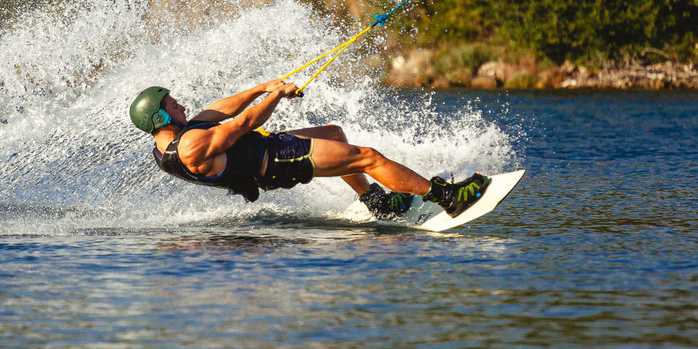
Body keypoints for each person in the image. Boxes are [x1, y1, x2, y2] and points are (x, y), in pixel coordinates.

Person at [128, 80, 489, 218]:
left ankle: (376, 201)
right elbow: (244, 124)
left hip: (265, 151)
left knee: (334, 132)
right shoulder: (191, 145)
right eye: (174, 105)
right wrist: (276, 96)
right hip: (279, 161)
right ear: (161, 117)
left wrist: (262, 87)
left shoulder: (168, 145)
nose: (182, 106)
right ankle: (446, 196)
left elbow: (222, 109)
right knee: (369, 156)